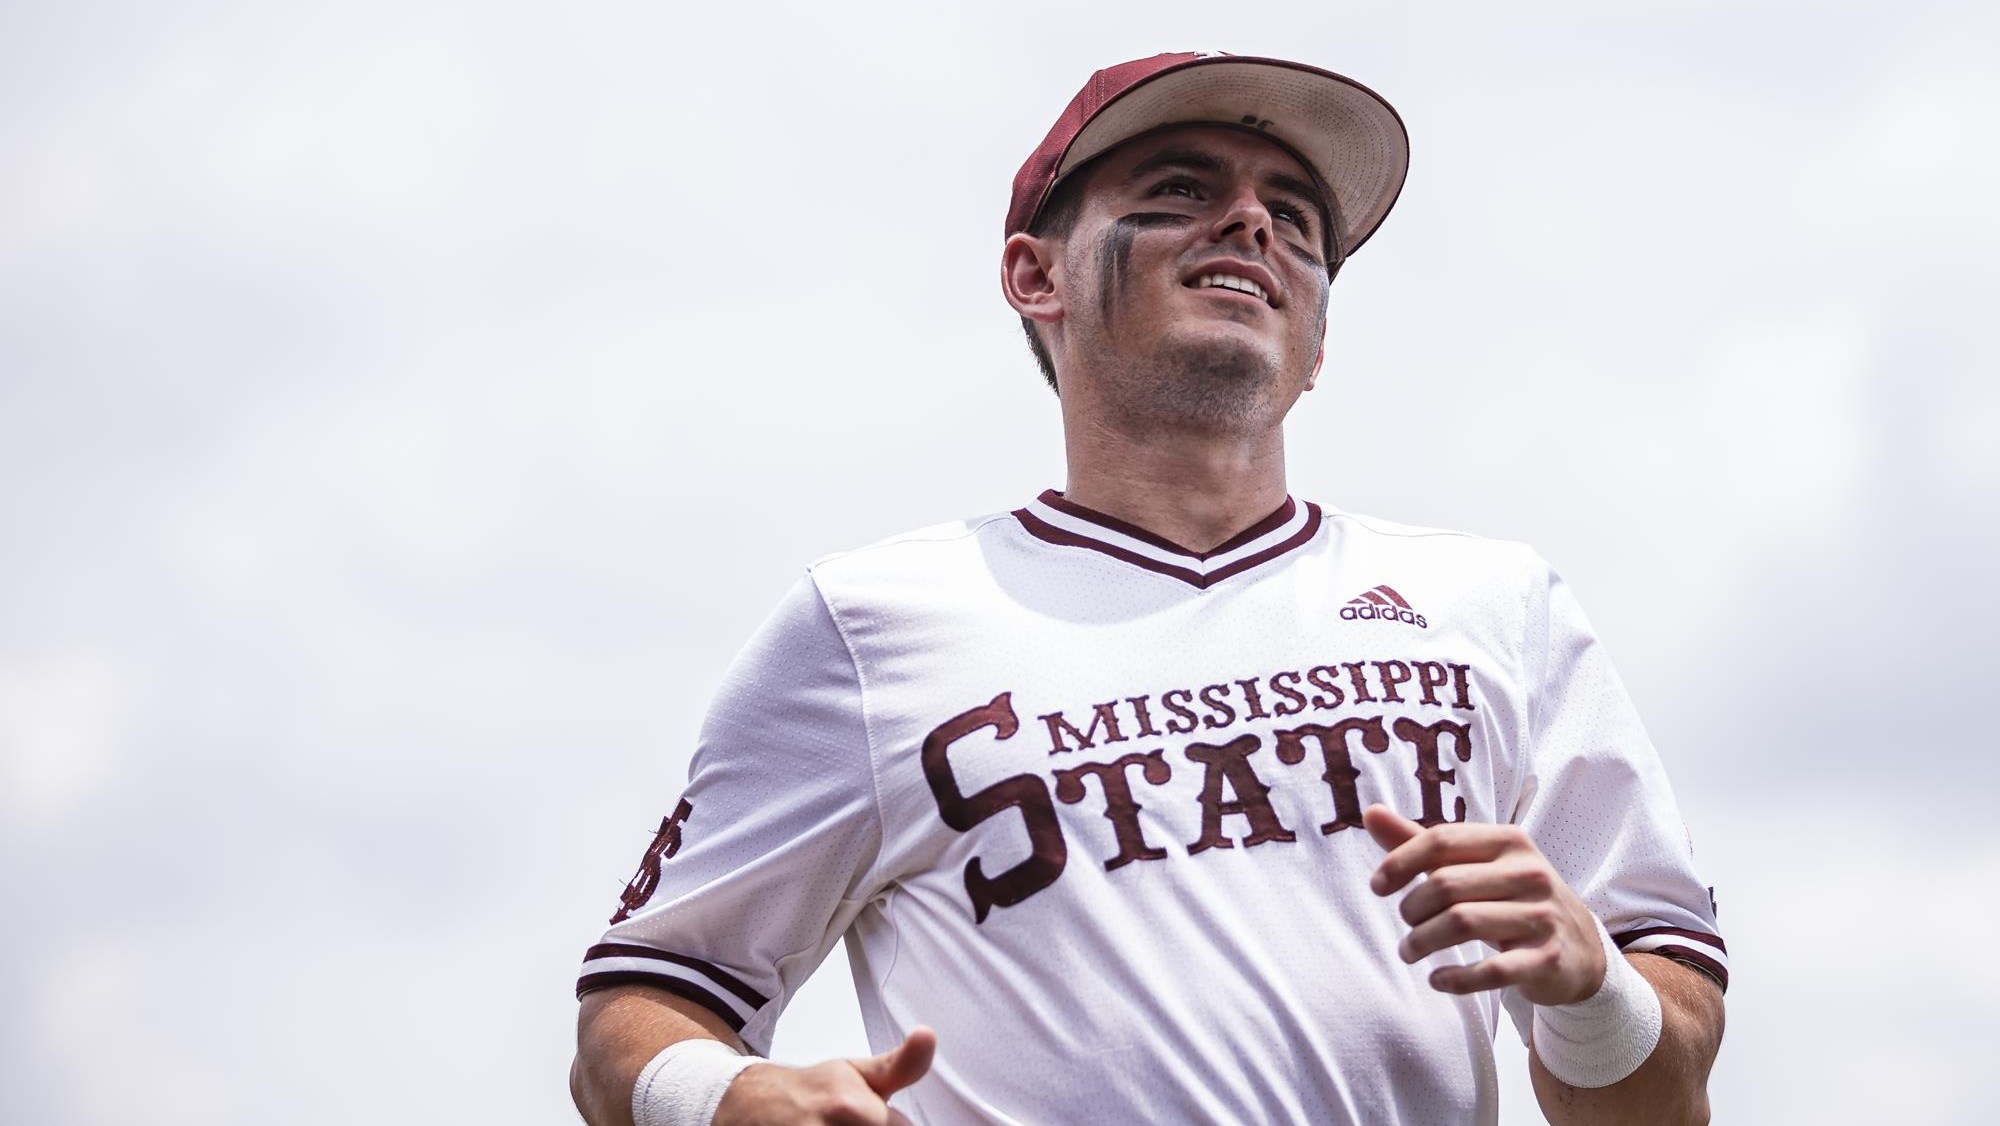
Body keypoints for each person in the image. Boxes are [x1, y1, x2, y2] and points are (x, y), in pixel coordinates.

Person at [569, 51, 1727, 1126]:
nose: (1249, 222)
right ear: (1035, 274)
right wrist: (726, 1098)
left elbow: (1661, 1096)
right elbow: (637, 1008)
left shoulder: (1497, 606)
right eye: (1178, 187)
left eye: (1295, 217)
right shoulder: (869, 627)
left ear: (1315, 336)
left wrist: (1590, 991)